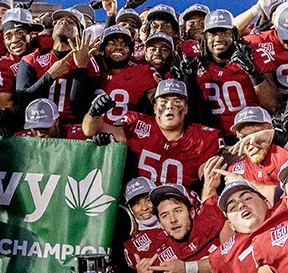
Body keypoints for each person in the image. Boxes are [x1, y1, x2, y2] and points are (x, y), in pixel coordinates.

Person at [83, 79, 221, 190]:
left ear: (185, 109)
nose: (169, 106)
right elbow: (91, 130)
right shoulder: (136, 123)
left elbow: (209, 179)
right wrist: (94, 114)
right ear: (155, 108)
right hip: (140, 201)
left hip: (181, 205)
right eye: (164, 102)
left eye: (177, 102)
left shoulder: (203, 137)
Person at [126, 184, 226, 273]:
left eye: (178, 211)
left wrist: (187, 268)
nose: (172, 219)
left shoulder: (211, 217)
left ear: (191, 212)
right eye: (164, 215)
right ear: (160, 224)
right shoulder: (159, 251)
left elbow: (233, 257)